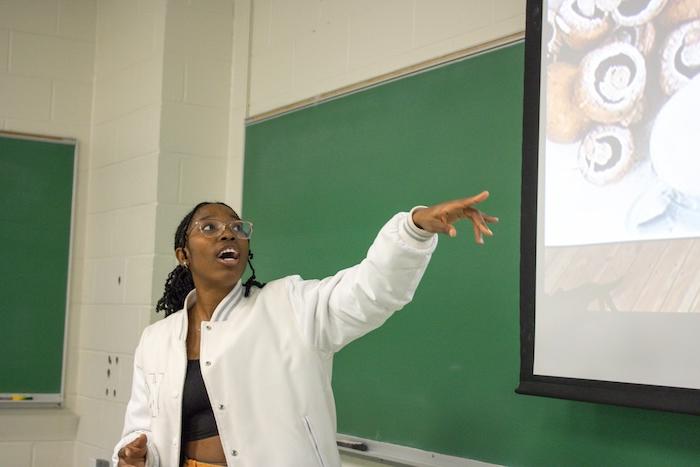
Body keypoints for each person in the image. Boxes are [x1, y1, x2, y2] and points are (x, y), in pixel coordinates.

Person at [113, 192, 497, 467]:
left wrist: (413, 230)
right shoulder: (156, 340)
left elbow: (372, 290)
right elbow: (140, 428)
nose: (227, 233)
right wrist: (131, 454)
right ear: (183, 254)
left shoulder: (291, 305)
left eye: (236, 227)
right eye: (209, 227)